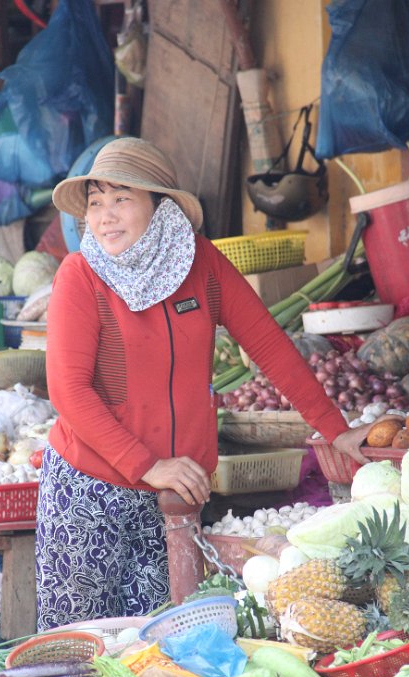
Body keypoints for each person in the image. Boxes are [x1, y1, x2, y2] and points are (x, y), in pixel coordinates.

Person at [36, 136, 374, 631]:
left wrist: (335, 428)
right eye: (95, 202)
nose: (105, 216)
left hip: (175, 497)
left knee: (162, 650)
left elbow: (269, 345)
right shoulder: (81, 276)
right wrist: (148, 465)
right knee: (80, 654)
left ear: (159, 203)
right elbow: (69, 393)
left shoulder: (198, 262)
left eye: (122, 198)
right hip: (89, 496)